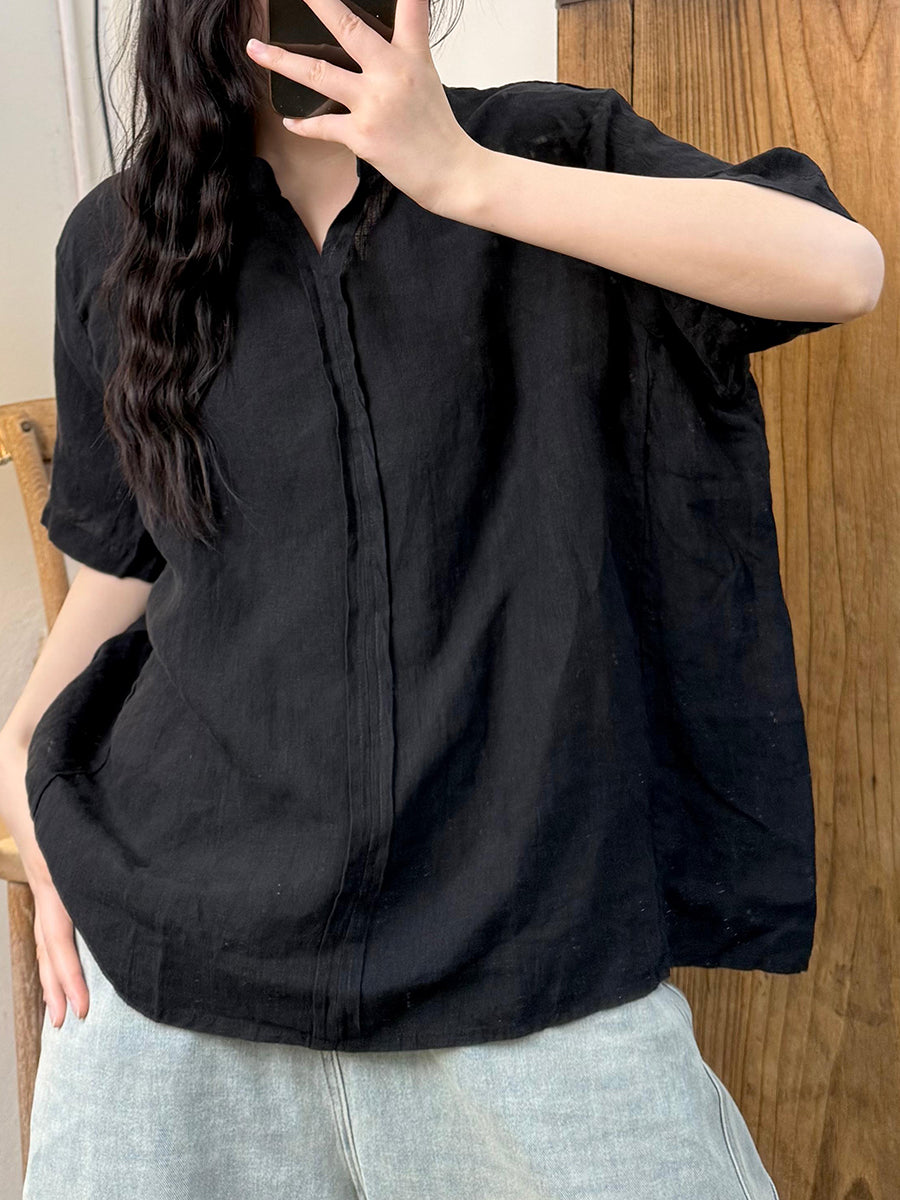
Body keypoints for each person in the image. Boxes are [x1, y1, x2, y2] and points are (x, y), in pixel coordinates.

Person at [1, 0, 882, 1196]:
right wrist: (22, 748)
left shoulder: (550, 150)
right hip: (177, 956)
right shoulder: (118, 241)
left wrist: (459, 175)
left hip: (523, 941)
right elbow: (126, 572)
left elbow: (842, 269)